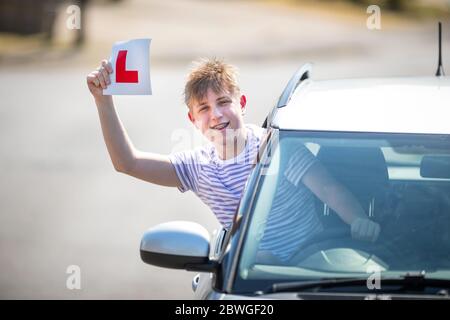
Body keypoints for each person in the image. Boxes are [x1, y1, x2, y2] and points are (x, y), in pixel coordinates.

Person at [86, 57, 380, 258]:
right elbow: (127, 162)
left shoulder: (275, 146)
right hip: (250, 278)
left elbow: (329, 189)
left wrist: (358, 221)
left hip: (311, 261)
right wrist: (103, 100)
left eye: (223, 102)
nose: (215, 115)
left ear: (241, 103)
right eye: (203, 108)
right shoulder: (197, 167)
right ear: (193, 119)